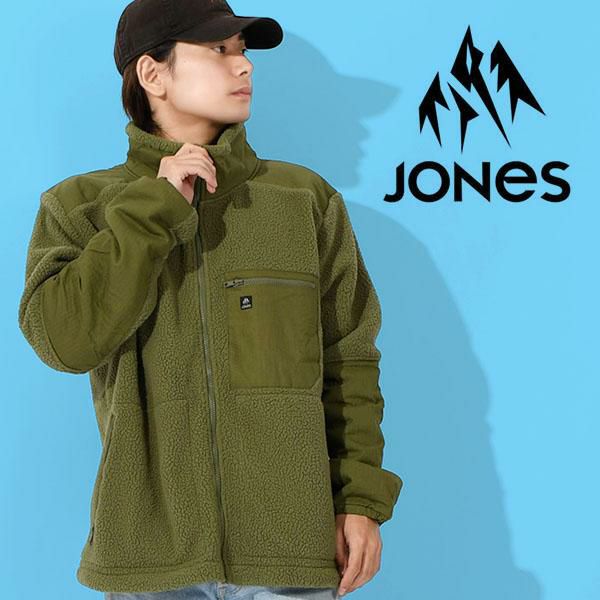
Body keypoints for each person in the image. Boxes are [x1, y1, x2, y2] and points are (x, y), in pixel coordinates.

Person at [17, 1, 404, 599]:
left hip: (289, 555)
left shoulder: (303, 201)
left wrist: (360, 502)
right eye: (219, 50)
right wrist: (153, 210)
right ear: (153, 74)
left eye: (243, 52)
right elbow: (65, 341)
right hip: (151, 562)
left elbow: (349, 360)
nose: (244, 66)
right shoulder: (79, 207)